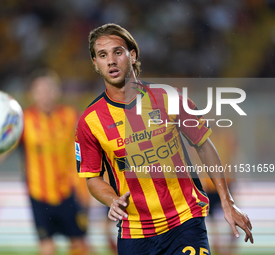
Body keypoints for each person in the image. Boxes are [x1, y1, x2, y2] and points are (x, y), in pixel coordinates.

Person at [74, 23, 253, 255]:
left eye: (118, 52)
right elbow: (92, 178)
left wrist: (227, 201)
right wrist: (112, 200)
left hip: (185, 220)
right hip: (135, 232)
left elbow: (203, 145)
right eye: (102, 55)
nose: (111, 60)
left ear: (132, 54)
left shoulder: (167, 97)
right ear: (96, 64)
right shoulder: (89, 121)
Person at [0, 71, 90, 255]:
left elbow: (90, 145)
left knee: (80, 246)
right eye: (40, 90)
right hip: (38, 195)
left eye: (49, 89)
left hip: (69, 192)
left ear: (57, 92)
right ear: (32, 94)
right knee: (47, 249)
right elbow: (2, 152)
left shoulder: (71, 116)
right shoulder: (23, 120)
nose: (45, 94)